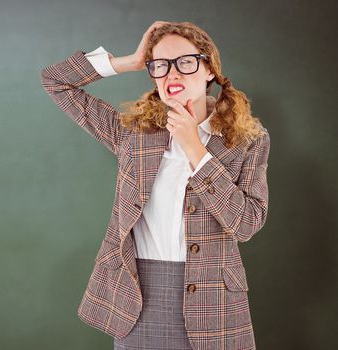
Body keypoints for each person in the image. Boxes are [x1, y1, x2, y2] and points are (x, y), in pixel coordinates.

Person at [40, 21, 270, 349]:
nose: (172, 74)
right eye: (160, 65)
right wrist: (129, 61)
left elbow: (246, 223)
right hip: (137, 298)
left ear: (209, 70)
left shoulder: (248, 140)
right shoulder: (134, 134)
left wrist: (195, 148)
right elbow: (55, 81)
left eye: (186, 62)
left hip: (215, 303)